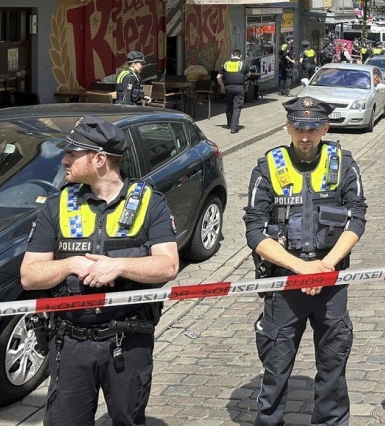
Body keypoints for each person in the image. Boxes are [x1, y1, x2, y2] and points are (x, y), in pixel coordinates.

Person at [19, 116, 179, 426]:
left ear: (100, 159)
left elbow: (168, 265)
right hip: (70, 342)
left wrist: (118, 266)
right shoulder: (57, 205)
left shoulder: (150, 203)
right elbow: (29, 275)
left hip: (128, 339)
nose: (64, 159)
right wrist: (70, 264)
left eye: (73, 153)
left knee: (128, 419)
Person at [245, 97, 368, 426]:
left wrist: (325, 266)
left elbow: (357, 219)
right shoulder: (267, 167)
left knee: (333, 370)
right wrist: (301, 268)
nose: (305, 136)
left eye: (313, 129)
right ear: (287, 127)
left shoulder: (343, 163)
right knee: (275, 372)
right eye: (298, 127)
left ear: (325, 128)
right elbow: (255, 232)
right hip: (284, 285)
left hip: (331, 283)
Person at [217, 49, 251, 134]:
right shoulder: (243, 64)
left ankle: (229, 124)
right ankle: (234, 128)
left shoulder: (226, 64)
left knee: (229, 106)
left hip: (228, 88)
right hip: (239, 88)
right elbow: (249, 74)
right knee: (237, 108)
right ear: (240, 56)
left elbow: (218, 77)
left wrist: (222, 86)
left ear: (232, 55)